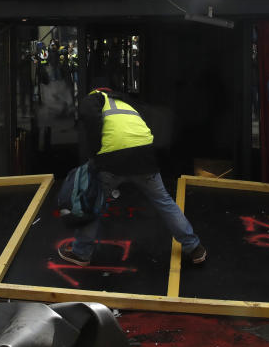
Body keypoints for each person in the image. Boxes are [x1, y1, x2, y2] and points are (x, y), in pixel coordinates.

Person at [57, 87, 206, 266]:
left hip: (112, 159)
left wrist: (94, 155)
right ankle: (194, 248)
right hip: (144, 156)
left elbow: (91, 122)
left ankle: (81, 253)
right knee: (164, 201)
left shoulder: (94, 99)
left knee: (92, 200)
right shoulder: (125, 103)